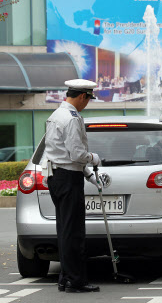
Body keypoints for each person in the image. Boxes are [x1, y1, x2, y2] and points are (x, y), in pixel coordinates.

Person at [44, 79, 101, 293]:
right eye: (88, 99)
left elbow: (63, 155)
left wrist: (86, 174)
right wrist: (93, 159)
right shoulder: (72, 118)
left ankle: (65, 277)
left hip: (58, 175)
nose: (87, 103)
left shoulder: (56, 115)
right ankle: (75, 280)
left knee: (65, 230)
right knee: (74, 232)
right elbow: (76, 154)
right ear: (81, 96)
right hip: (68, 179)